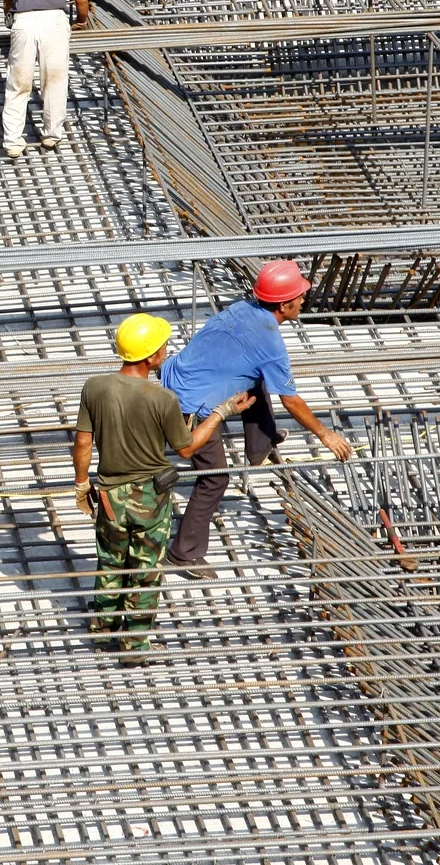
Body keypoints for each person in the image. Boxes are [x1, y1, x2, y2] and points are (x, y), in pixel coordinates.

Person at [159, 260, 355, 577]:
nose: (304, 301)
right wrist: (324, 434)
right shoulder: (270, 344)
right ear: (284, 304)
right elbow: (290, 400)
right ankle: (184, 554)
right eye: (299, 295)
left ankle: (259, 445)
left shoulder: (242, 308)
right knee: (215, 478)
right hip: (189, 408)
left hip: (174, 376)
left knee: (258, 377)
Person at [74, 314, 250, 661]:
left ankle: (102, 629)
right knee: (145, 571)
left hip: (109, 495)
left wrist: (82, 485)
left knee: (111, 562)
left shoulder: (95, 387)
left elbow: (82, 442)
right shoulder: (163, 399)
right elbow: (186, 448)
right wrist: (221, 412)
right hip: (149, 499)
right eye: (162, 347)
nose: (166, 351)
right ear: (151, 356)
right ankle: (134, 648)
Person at [0, 0, 89, 160]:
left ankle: (13, 142)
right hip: (54, 22)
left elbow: (7, 1)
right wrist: (81, 21)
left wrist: (12, 20)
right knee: (54, 80)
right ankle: (51, 134)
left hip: (24, 23)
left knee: (18, 84)